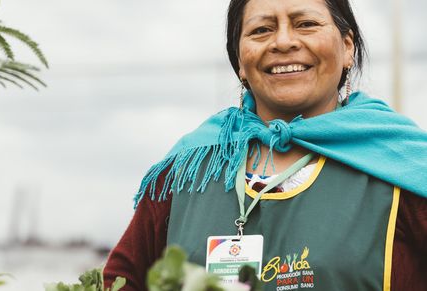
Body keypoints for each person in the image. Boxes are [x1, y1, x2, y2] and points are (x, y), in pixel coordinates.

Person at [103, 0, 427, 290]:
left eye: (306, 24)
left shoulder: (404, 165)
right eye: (261, 29)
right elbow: (120, 281)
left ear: (346, 47)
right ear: (240, 62)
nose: (283, 41)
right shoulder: (188, 168)